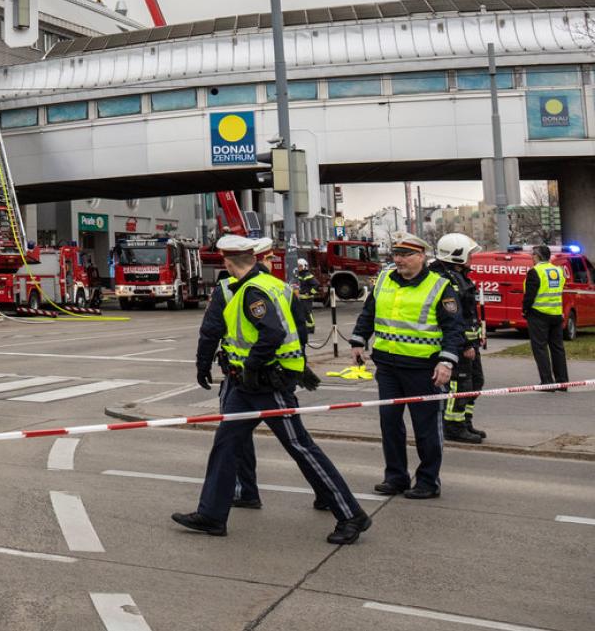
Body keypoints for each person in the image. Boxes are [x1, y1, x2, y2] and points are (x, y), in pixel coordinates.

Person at [173, 235, 369, 544]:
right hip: (245, 385)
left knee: (300, 447)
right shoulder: (271, 285)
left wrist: (252, 365)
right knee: (225, 446)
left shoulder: (253, 291)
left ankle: (351, 515)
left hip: (267, 383)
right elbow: (300, 330)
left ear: (227, 262)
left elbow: (273, 334)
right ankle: (211, 515)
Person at [348, 232, 464, 498]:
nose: (398, 260)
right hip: (387, 366)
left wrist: (447, 361)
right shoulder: (383, 281)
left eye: (404, 255)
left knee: (426, 429)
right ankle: (396, 477)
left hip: (424, 368)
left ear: (421, 256)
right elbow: (369, 314)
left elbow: (453, 328)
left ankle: (427, 482)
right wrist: (358, 341)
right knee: (390, 425)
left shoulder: (439, 285)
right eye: (395, 255)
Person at [433, 233, 487, 442]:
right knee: (460, 385)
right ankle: (453, 427)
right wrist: (466, 343)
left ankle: (465, 422)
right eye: (469, 254)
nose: (472, 258)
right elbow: (455, 317)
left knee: (475, 383)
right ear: (457, 255)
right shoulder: (446, 280)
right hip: (459, 346)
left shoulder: (458, 276)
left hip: (469, 344)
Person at [523, 243, 569, 390]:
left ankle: (547, 382)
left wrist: (525, 310)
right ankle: (563, 382)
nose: (531, 258)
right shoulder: (558, 271)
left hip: (538, 314)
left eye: (532, 255)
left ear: (537, 256)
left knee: (540, 348)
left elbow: (530, 295)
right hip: (556, 314)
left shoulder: (534, 272)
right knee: (557, 348)